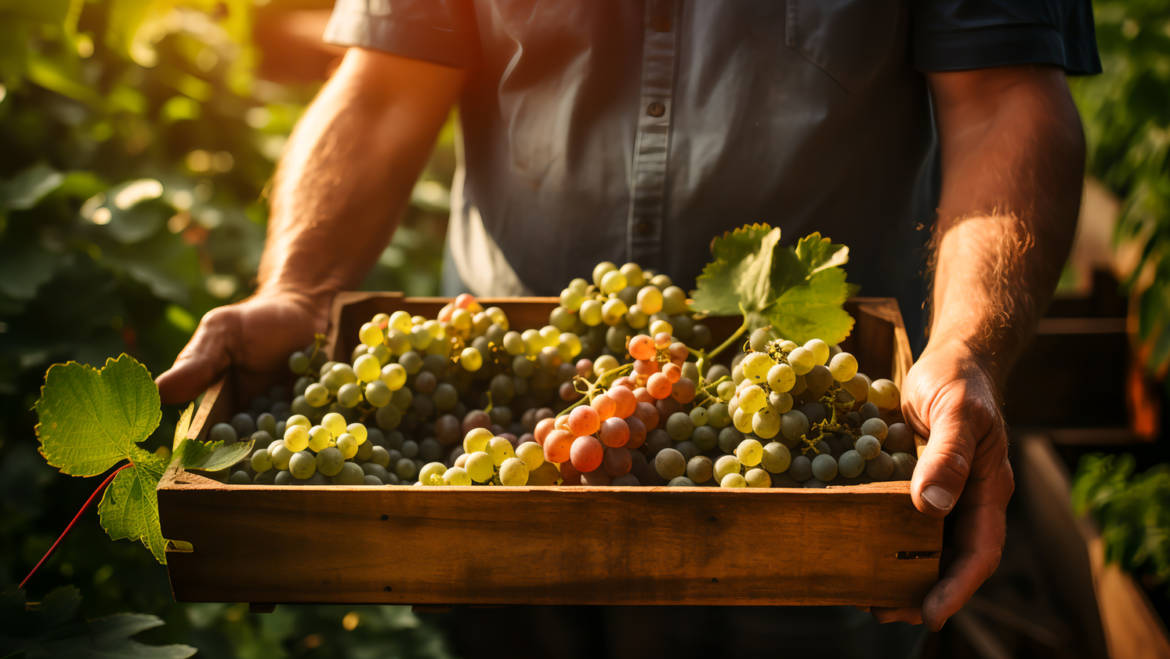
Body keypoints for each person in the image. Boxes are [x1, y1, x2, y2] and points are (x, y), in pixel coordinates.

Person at [157, 1, 1100, 656]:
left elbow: (1006, 102)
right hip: (497, 436)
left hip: (816, 463)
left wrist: (966, 346)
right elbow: (383, 83)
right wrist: (300, 285)